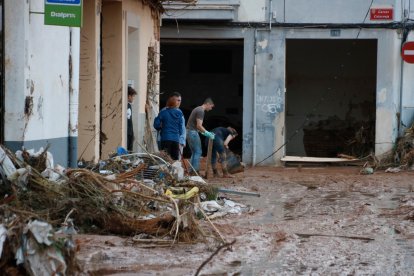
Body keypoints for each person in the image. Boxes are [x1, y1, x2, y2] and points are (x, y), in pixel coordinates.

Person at [186, 98, 215, 175]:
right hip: (192, 133)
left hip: (189, 132)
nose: (211, 108)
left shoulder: (197, 109)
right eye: (211, 107)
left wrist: (204, 133)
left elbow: (196, 126)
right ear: (207, 104)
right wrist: (207, 133)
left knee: (194, 152)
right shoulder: (200, 111)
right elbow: (199, 126)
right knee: (198, 152)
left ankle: (191, 171)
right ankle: (195, 172)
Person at [153, 92, 185, 160]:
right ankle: (174, 170)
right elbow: (181, 130)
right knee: (175, 160)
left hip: (165, 138)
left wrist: (161, 127)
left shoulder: (163, 112)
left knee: (165, 159)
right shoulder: (179, 113)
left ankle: (167, 170)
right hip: (176, 139)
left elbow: (156, 125)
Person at [127, 86, 137, 152]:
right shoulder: (126, 106)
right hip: (127, 133)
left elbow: (130, 121)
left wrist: (132, 134)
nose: (133, 98)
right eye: (132, 96)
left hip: (130, 133)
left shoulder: (129, 105)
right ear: (128, 96)